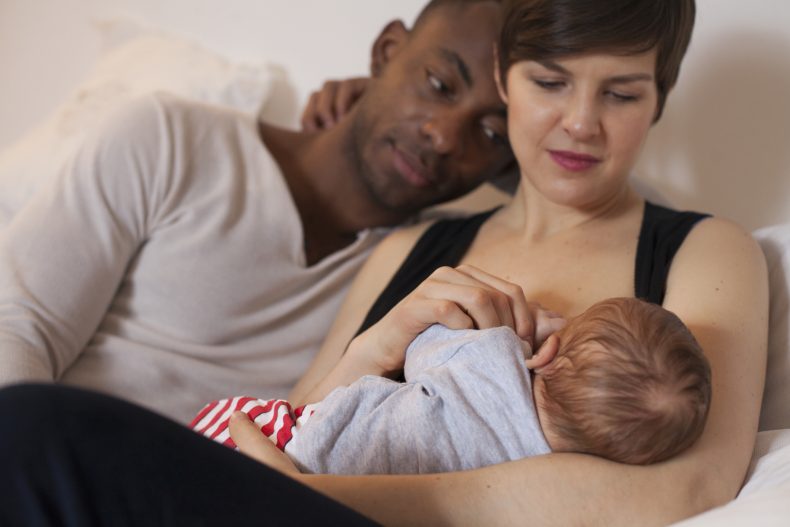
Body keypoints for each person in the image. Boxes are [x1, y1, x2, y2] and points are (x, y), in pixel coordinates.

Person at [0, 0, 769, 525]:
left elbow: (693, 481)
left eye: (623, 95)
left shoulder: (700, 249)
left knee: (39, 432)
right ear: (507, 80)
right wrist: (374, 346)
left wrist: (339, 496)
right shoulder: (415, 247)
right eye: (549, 82)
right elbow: (290, 426)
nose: (579, 123)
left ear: (660, 102)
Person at [0, 0, 514, 423]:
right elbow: (23, 325)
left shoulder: (425, 272)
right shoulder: (171, 137)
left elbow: (574, 208)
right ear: (385, 51)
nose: (445, 137)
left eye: (491, 133)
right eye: (439, 84)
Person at [192, 297, 711, 474]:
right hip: (331, 494)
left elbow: (423, 347)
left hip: (299, 443)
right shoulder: (543, 468)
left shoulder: (495, 355)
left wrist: (520, 331)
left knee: (223, 421)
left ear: (549, 355)